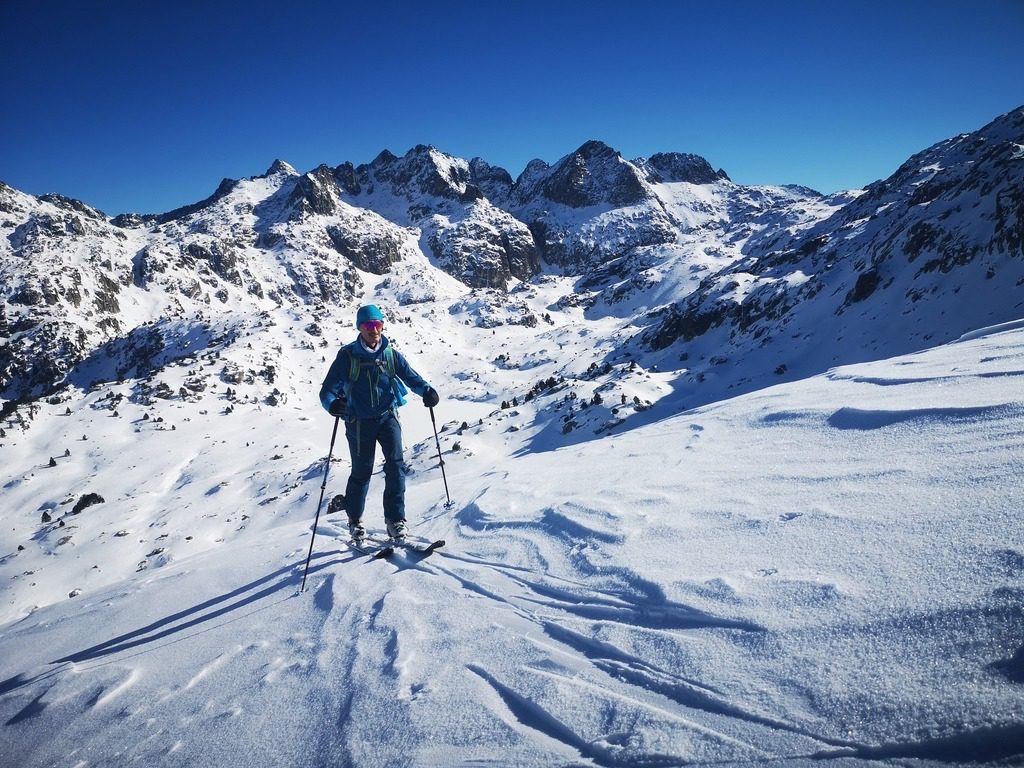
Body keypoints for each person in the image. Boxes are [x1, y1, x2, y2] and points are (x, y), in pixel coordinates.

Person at [319, 304, 439, 544]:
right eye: (368, 325)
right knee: (362, 473)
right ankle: (355, 520)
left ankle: (395, 520)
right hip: (359, 422)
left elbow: (410, 376)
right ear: (360, 328)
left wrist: (426, 390)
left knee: (396, 467)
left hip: (387, 417)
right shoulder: (348, 356)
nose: (374, 329)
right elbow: (327, 390)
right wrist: (332, 404)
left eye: (377, 324)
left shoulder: (389, 354)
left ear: (383, 325)